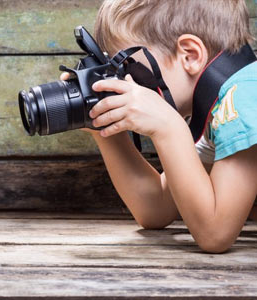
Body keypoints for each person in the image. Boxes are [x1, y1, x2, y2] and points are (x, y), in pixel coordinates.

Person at [62, 0, 257, 253]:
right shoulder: (219, 108)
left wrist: (169, 128)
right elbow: (155, 208)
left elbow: (215, 234)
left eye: (130, 69)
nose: (128, 85)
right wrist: (103, 127)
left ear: (190, 55)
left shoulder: (245, 96)